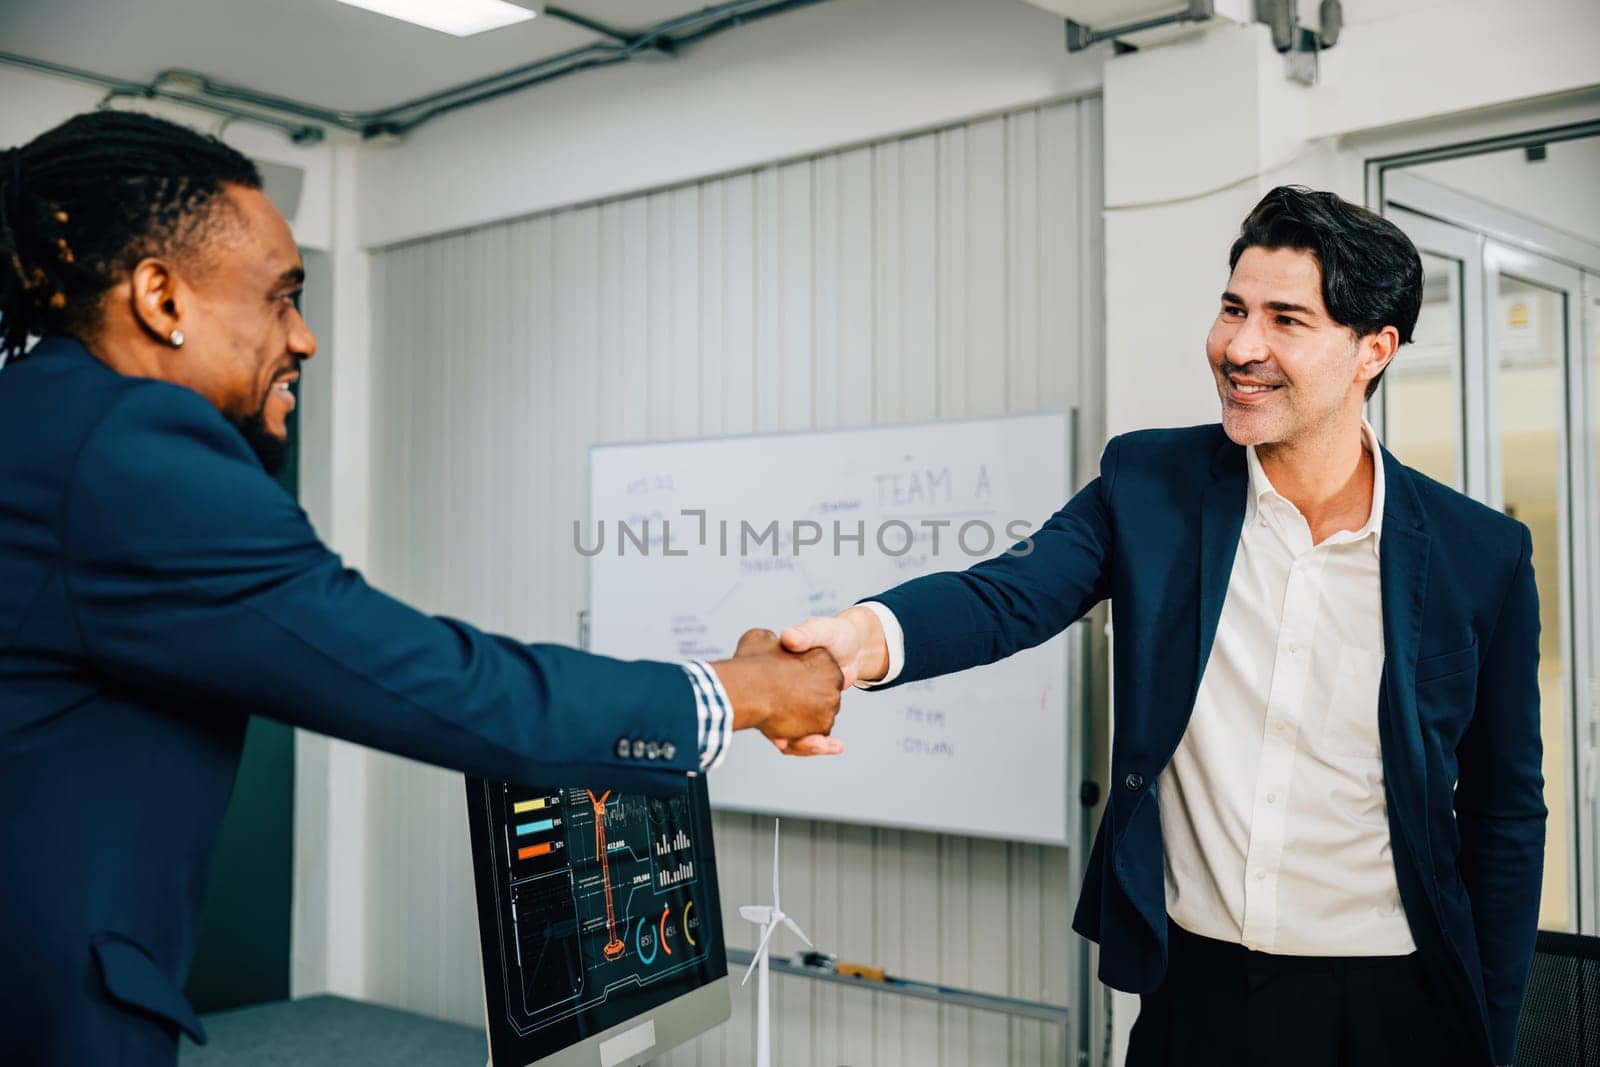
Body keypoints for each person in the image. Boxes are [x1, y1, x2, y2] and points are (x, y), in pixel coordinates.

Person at [0, 111, 843, 1066]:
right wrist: (741, 691)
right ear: (161, 296)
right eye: (282, 298)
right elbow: (433, 679)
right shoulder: (127, 448)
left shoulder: (43, 419)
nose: (306, 338)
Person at [783, 186, 1543, 1067]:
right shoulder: (1151, 485)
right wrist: (856, 639)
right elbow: (1005, 597)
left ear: (1373, 349)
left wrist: (1490, 1030)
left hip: (1391, 1002)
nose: (1239, 347)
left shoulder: (1478, 554)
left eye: (1285, 319)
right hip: (1197, 993)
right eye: (1232, 308)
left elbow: (1504, 814)